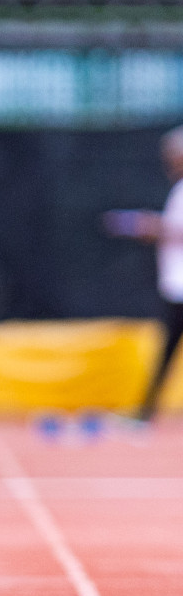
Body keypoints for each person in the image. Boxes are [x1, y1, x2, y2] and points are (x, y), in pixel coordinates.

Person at [104, 125, 183, 420]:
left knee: (167, 350)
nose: (169, 161)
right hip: (175, 285)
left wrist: (148, 226)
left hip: (180, 286)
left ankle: (144, 412)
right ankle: (145, 411)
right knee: (166, 350)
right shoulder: (178, 189)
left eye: (174, 155)